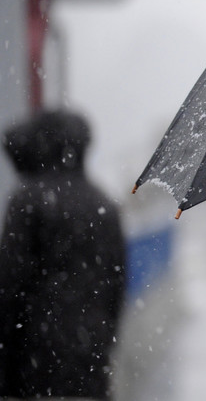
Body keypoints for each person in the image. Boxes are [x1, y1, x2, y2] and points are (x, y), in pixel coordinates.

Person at [0, 110, 127, 400]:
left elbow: (8, 285)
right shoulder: (103, 204)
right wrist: (101, 339)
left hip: (34, 358)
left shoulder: (28, 200)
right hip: (90, 354)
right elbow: (117, 287)